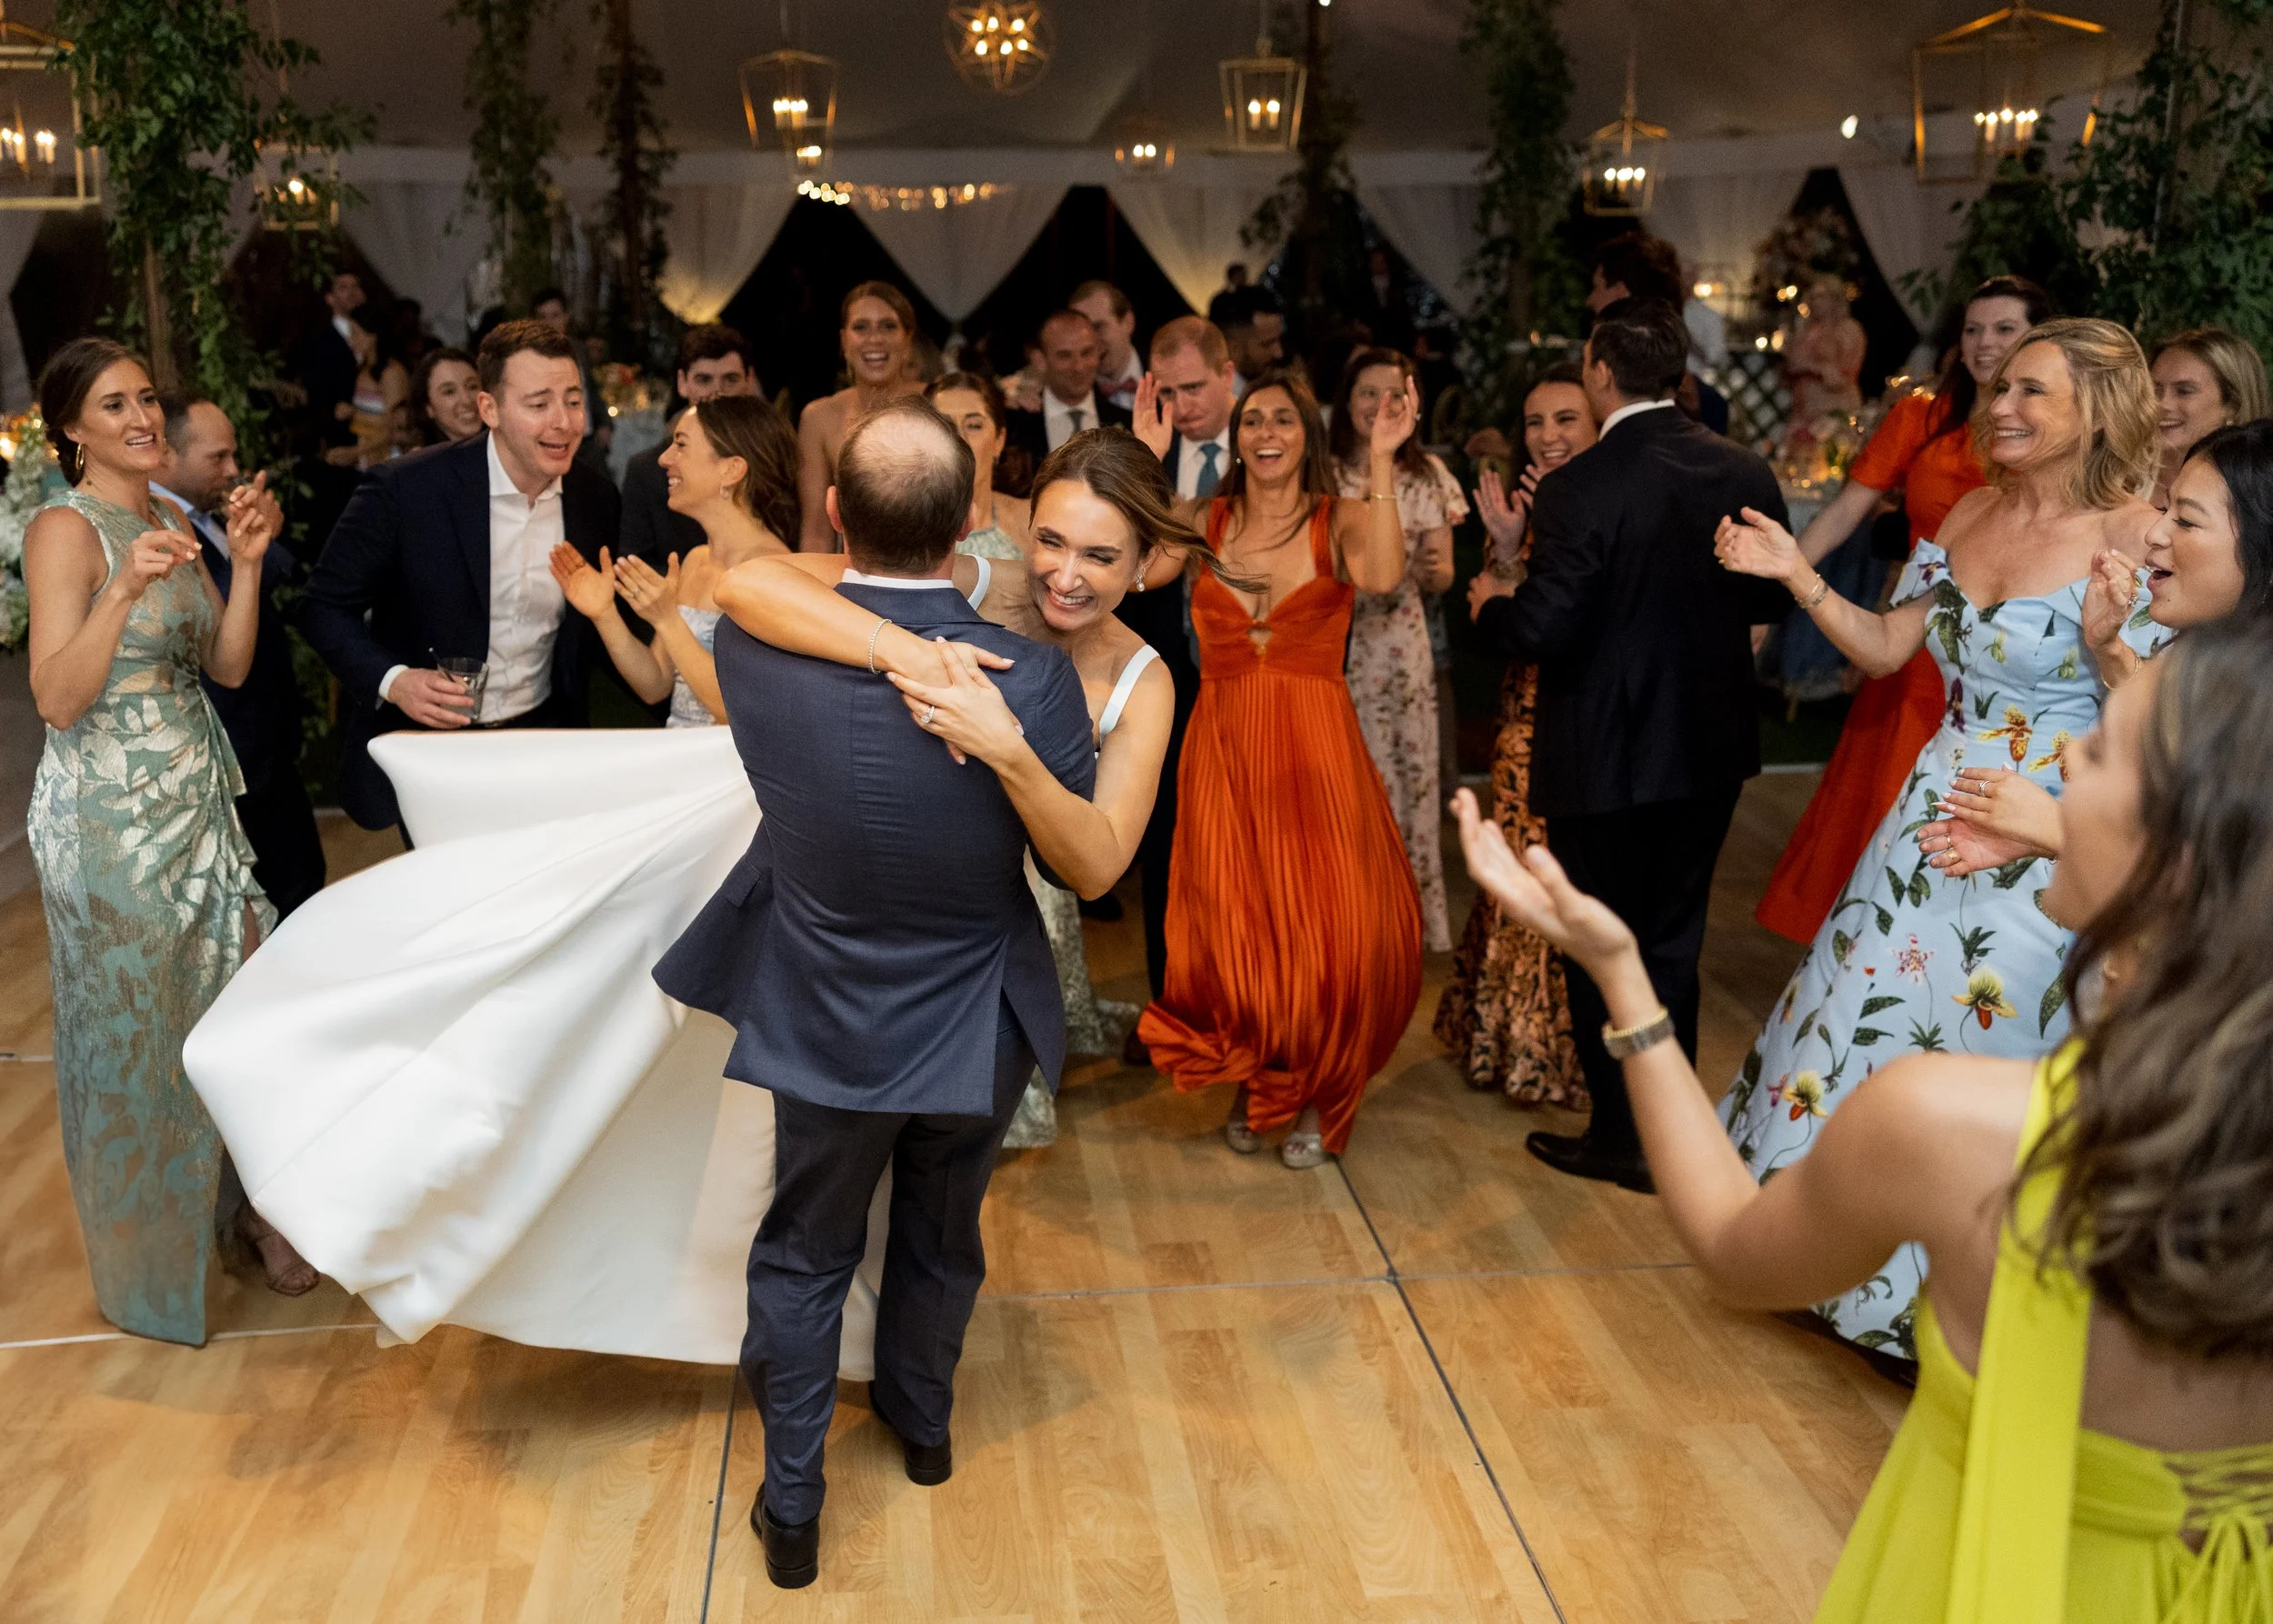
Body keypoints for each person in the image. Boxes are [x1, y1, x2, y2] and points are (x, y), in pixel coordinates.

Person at [1454, 613, 2273, 1620]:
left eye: (2098, 750)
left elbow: (1733, 1249)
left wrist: (1623, 978)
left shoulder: (1958, 1127)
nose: (2064, 754)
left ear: (2178, 850)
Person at [654, 399, 1097, 1589]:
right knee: (944, 1233)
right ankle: (924, 1424)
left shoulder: (760, 652)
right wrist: (917, 653)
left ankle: (794, 1502)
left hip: (829, 1012)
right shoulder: (1033, 681)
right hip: (979, 1014)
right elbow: (1073, 866)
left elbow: (748, 582)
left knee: (806, 1252)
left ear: (836, 511)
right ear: (969, 528)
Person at [1714, 317, 2166, 1360]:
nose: (2000, 406)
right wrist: (1793, 573)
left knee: (1988, 1041)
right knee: (1858, 1022)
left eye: (2031, 391)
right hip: (1927, 815)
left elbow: (2169, 719)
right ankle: (1821, 1262)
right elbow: (1885, 650)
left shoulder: (2140, 535)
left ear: (2098, 410)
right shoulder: (1967, 511)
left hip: (2051, 828)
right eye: (1999, 388)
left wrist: (2106, 654)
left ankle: (1949, 1309)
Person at [721, 428, 1211, 1148]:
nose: (1065, 576)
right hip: (861, 924)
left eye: (1100, 557)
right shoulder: (973, 584)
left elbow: (1098, 868)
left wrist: (1006, 750)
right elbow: (744, 585)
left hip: (986, 951)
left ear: (1144, 562)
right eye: (1050, 541)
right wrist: (915, 655)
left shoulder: (1143, 681)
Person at [21, 337, 315, 1342]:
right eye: (114, 404)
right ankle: (152, 1262)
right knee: (146, 1041)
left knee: (252, 1013)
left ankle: (258, 1211)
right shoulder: (64, 529)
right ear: (72, 428)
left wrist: (248, 563)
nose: (143, 417)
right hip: (109, 824)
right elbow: (58, 698)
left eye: (146, 398)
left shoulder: (173, 517)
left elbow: (225, 667)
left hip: (198, 808)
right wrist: (120, 590)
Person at [1467, 298, 1790, 1192]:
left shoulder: (1581, 484)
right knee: (1674, 945)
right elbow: (1769, 599)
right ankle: (1671, 1137)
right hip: (1709, 748)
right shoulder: (1741, 465)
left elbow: (1544, 626)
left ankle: (1620, 1137)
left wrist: (1491, 607)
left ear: (1601, 374)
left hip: (1603, 753)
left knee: (1601, 945)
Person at [1129, 370, 1422, 1168]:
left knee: (1327, 929)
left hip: (1314, 747)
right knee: (1232, 929)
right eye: (1252, 420)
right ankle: (1255, 1070)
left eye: (1283, 420)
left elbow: (1384, 577)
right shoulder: (1202, 518)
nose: (1266, 433)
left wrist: (1384, 456)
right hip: (1223, 746)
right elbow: (1140, 573)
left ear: (1308, 435)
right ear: (1235, 439)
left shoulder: (1343, 516)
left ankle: (1318, 1088)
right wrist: (1147, 463)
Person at [1755, 276, 2054, 943]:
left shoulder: (2054, 436)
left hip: (2009, 650)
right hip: (1916, 643)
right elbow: (1842, 516)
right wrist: (1773, 592)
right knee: (1882, 811)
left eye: (2004, 329)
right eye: (1972, 330)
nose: (1984, 343)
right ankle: (1867, 955)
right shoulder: (1920, 418)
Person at [300, 319, 623, 832]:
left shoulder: (594, 499)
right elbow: (322, 607)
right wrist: (395, 681)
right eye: (539, 404)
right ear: (489, 409)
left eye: (574, 401)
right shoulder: (408, 489)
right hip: (435, 754)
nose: (564, 422)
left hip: (544, 740)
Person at [1923, 417, 2273, 875]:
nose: (2154, 533)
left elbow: (2224, 883)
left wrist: (2055, 828)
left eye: (2186, 521)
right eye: (2165, 509)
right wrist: (2107, 646)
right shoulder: (2215, 661)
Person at [1434, 364, 1596, 1106]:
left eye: (1566, 419)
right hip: (1522, 717)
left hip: (1581, 715)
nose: (1548, 435)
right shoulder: (1535, 504)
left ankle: (1553, 1051)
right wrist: (1505, 545)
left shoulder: (1601, 504)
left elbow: (1543, 618)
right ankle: (1509, 1041)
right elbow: (1501, 616)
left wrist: (1501, 591)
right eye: (1536, 422)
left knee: (1559, 873)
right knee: (1521, 865)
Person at [153, 394, 326, 917]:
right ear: (167, 455)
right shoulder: (157, 527)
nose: (233, 470)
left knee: (304, 887)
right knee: (260, 908)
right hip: (228, 746)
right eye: (217, 457)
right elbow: (216, 621)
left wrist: (261, 540)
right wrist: (249, 555)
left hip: (270, 739)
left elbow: (279, 576)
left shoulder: (209, 515)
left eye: (233, 455)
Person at [1119, 316, 1237, 1046]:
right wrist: (1145, 463)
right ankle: (1171, 1004)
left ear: (1227, 374)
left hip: (1248, 680)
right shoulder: (1144, 460)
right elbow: (1125, 572)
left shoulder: (1270, 446)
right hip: (1168, 677)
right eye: (1168, 392)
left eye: (1195, 387)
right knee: (1165, 839)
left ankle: (1248, 998)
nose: (1183, 405)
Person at [552, 396, 798, 729]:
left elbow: (740, 711)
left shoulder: (772, 573)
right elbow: (655, 685)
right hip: (679, 748)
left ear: (731, 470)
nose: (664, 458)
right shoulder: (696, 560)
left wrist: (668, 619)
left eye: (680, 445)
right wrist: (604, 613)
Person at [1327, 346, 1458, 951]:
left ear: (1413, 404)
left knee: (1411, 780)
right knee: (1349, 781)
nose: (1381, 405)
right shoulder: (1322, 474)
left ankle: (1407, 923)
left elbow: (1443, 572)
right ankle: (1352, 919)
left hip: (1402, 650)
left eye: (1394, 395)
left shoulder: (1427, 475)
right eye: (1367, 393)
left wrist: (1434, 572)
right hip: (1336, 647)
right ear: (1346, 402)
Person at [796, 281, 925, 551]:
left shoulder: (937, 404)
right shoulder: (819, 417)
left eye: (888, 326)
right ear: (844, 340)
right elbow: (816, 533)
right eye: (861, 327)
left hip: (936, 566)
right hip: (852, 568)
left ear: (908, 339)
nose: (875, 338)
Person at [619, 325, 761, 569]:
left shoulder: (771, 459)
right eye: (704, 380)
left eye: (730, 379)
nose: (717, 392)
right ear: (682, 383)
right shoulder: (648, 470)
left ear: (749, 381)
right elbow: (635, 567)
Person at [1587, 232, 1730, 436]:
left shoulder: (1594, 392)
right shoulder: (1710, 402)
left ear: (1620, 293)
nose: (1590, 301)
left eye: (1597, 288)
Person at [2147, 326, 2270, 509]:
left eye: (2184, 391)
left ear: (2233, 405)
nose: (2162, 404)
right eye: (2155, 391)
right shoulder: (2118, 479)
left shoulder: (2260, 497)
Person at [1002, 308, 1134, 475]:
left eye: (1087, 353)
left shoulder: (1128, 424)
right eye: (1065, 356)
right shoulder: (1013, 426)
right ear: (1039, 360)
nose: (1078, 366)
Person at [926, 370, 1031, 559]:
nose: (960, 439)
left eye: (973, 426)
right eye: (944, 426)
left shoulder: (1031, 520)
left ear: (999, 440)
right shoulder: (901, 527)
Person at [291, 268, 365, 456]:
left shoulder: (373, 332)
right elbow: (316, 389)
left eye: (355, 287)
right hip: (339, 432)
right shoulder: (320, 341)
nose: (351, 293)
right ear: (330, 298)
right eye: (343, 288)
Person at [1783, 275, 1867, 430]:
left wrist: (1819, 367)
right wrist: (1813, 367)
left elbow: (1840, 373)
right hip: (1803, 404)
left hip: (1834, 404)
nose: (1816, 302)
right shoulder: (1806, 329)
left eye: (1822, 297)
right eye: (1814, 297)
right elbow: (1793, 362)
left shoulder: (1848, 329)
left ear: (1835, 299)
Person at [331, 303, 408, 469]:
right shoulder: (363, 368)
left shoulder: (391, 373)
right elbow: (374, 411)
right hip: (367, 456)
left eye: (356, 333)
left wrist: (353, 453)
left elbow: (393, 426)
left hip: (388, 459)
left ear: (373, 336)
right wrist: (351, 411)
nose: (351, 340)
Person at [1070, 279, 1144, 416]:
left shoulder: (1166, 369)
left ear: (1128, 322)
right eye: (1081, 334)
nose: (1091, 343)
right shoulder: (1072, 392)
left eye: (1098, 327)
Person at [1216, 286, 1287, 396]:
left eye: (1279, 340)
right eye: (1267, 344)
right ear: (1233, 349)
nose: (1279, 353)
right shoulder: (1223, 401)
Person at [406, 346, 483, 447]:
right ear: (428, 407)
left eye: (472, 387)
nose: (467, 400)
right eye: (449, 391)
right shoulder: (422, 457)